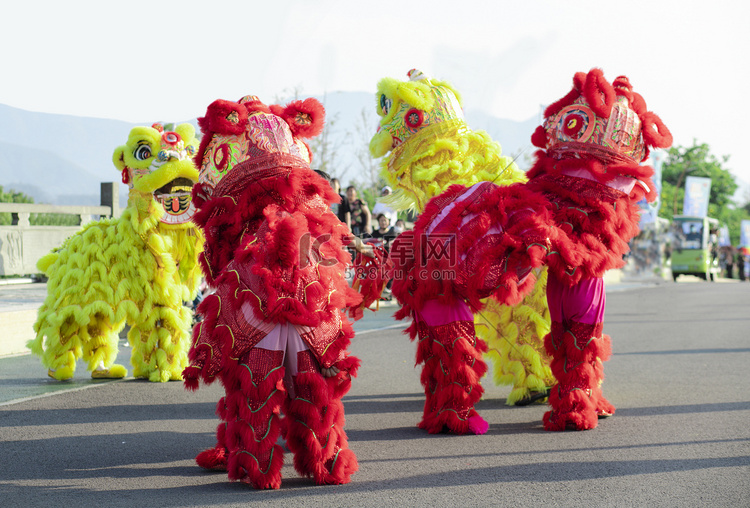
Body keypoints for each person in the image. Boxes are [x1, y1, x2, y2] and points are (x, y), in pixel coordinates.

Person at [183, 95, 361, 489]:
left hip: (256, 292)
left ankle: (256, 464)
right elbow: (332, 247)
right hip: (310, 291)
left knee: (253, 388)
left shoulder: (243, 223)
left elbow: (216, 242)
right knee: (315, 388)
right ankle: (325, 461)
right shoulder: (309, 229)